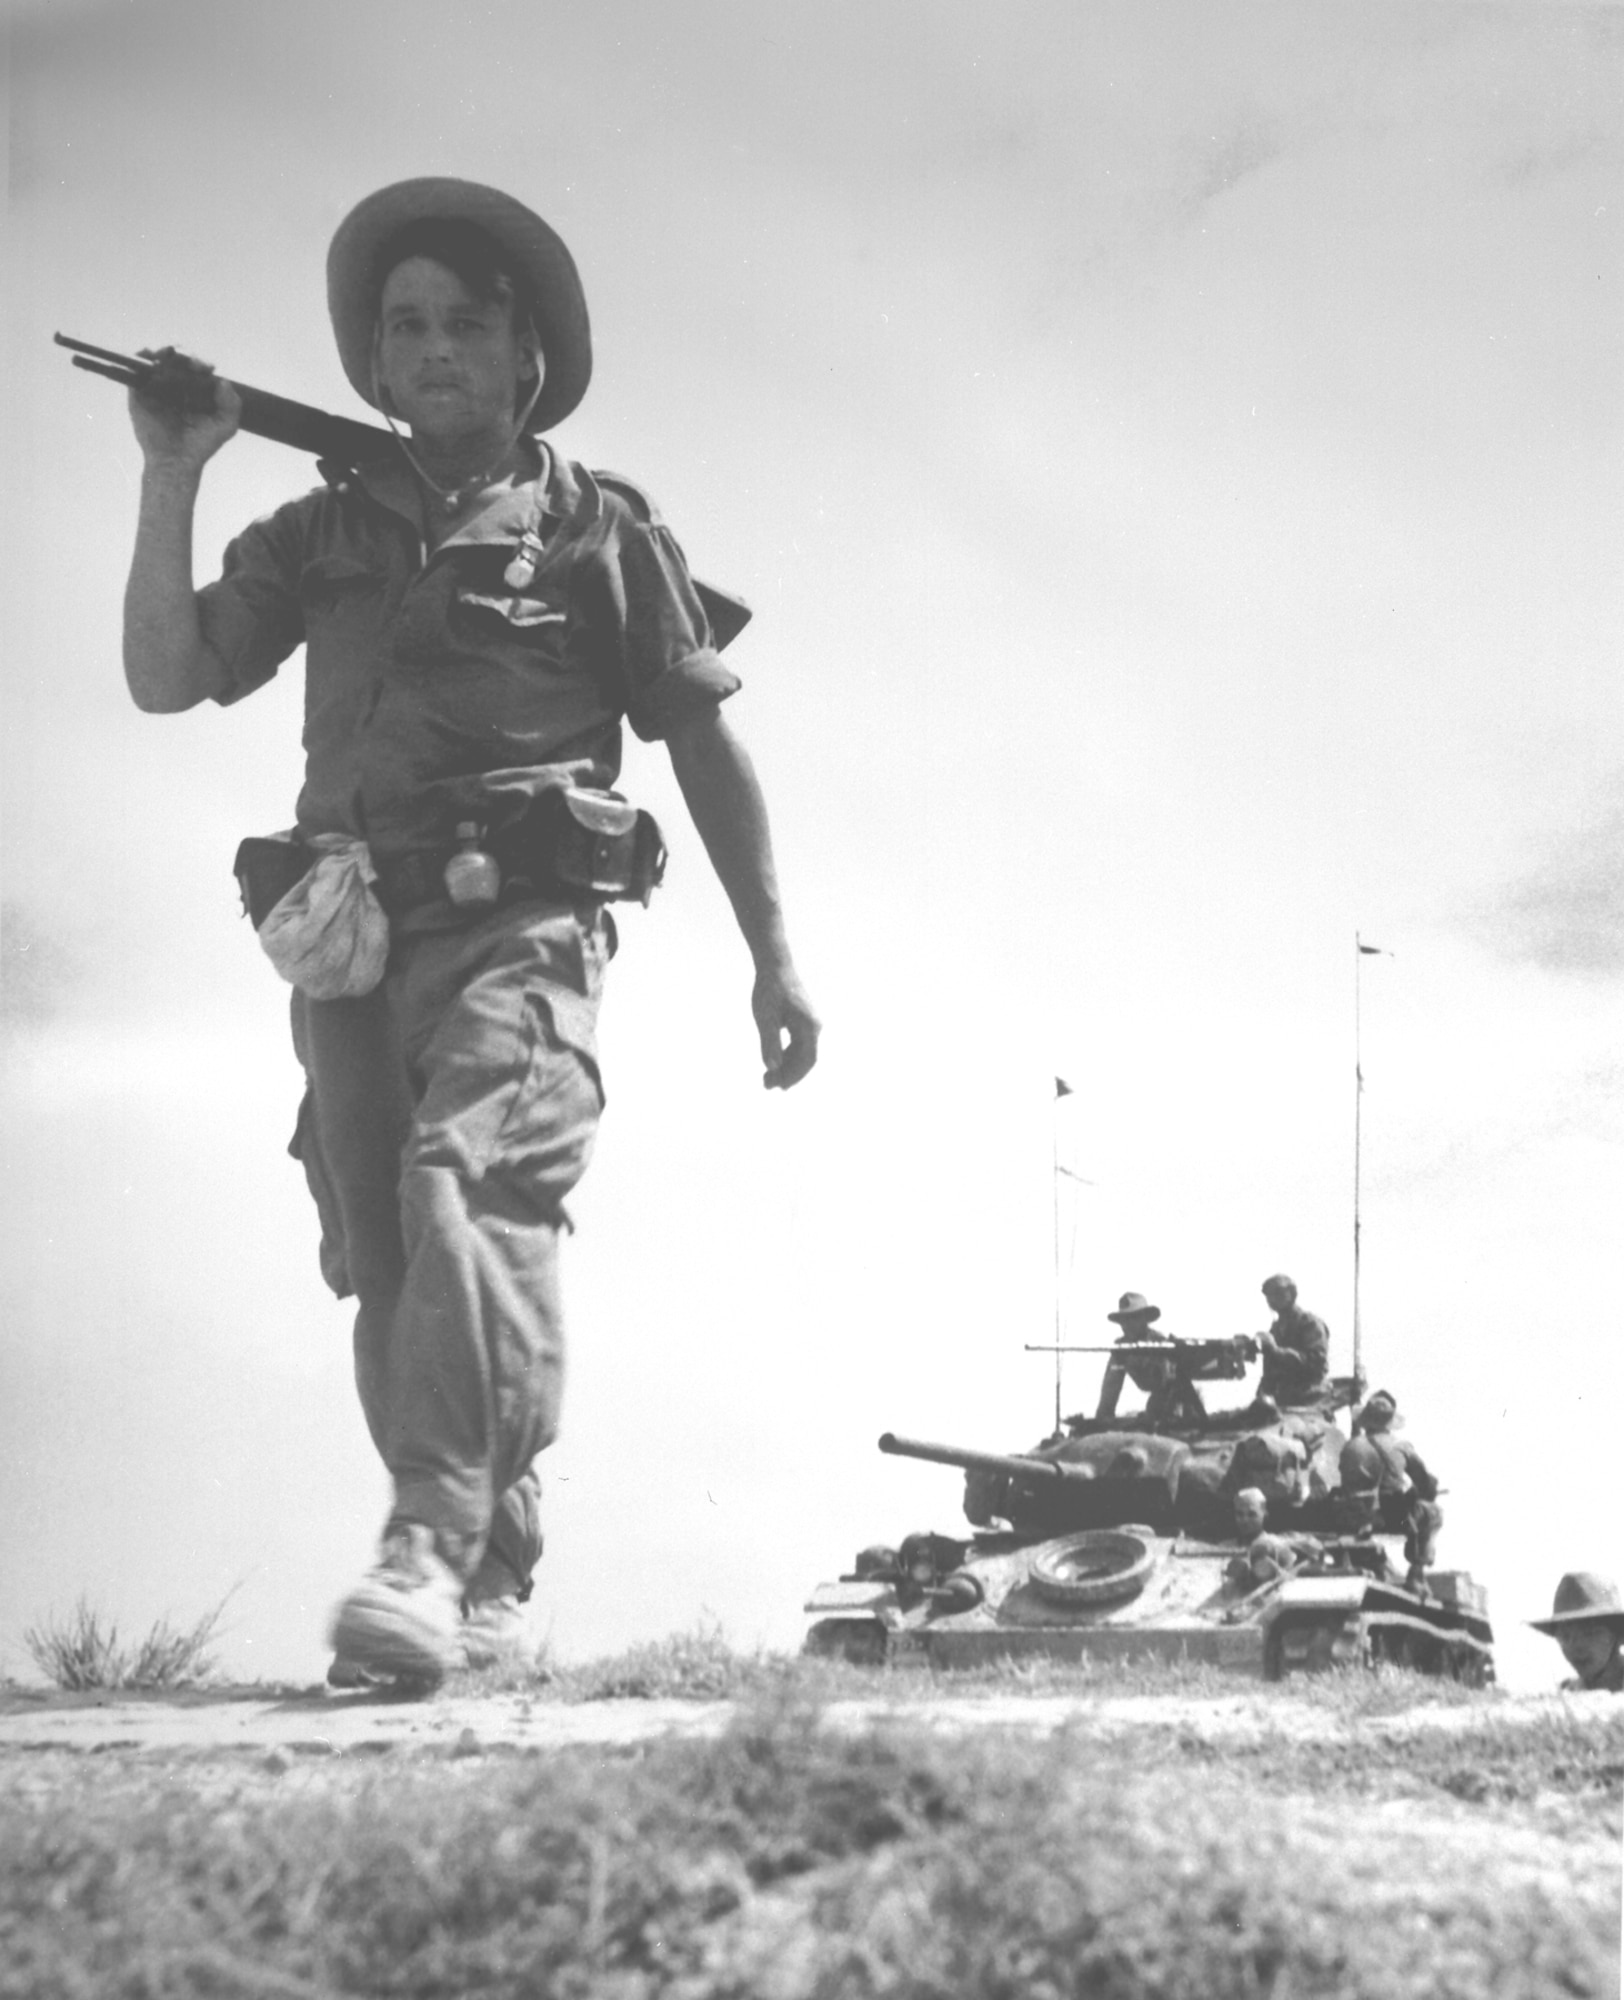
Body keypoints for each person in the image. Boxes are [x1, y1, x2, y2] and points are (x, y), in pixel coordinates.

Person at [119, 177, 820, 1688]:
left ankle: (427, 1549)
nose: (433, 347)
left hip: (527, 933)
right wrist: (172, 471)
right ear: (372, 367)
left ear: (525, 363)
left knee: (470, 1186)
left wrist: (774, 952)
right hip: (354, 941)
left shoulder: (599, 533)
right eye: (406, 325)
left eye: (467, 324)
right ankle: (485, 1567)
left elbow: (702, 745)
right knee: (386, 1255)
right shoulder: (317, 532)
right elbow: (167, 679)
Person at [1337, 1390, 1441, 1592]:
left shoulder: (1349, 1446)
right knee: (1432, 1512)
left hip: (1349, 1518)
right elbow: (1425, 1483)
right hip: (1391, 1519)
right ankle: (1417, 1572)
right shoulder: (1400, 1447)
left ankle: (1371, 1560)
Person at [1094, 1292, 1184, 1422]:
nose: (1127, 1324)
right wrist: (1103, 1417)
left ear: (1145, 1319)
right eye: (1123, 1319)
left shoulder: (1161, 1345)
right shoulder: (1121, 1350)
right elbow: (1111, 1386)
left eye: (1133, 1318)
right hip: (1157, 1399)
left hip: (1178, 1399)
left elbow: (1171, 1384)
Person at [1529, 1574, 1624, 1693]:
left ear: (1617, 1636)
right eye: (1565, 1637)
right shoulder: (1566, 1696)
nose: (1575, 1647)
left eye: (1589, 1634)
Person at [1255, 1273, 1330, 1404]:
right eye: (1269, 1295)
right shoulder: (1276, 1330)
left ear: (1292, 1294)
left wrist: (1276, 1351)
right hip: (1282, 1400)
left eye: (1278, 1293)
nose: (1272, 1299)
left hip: (1309, 1400)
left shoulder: (1309, 1323)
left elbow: (1316, 1364)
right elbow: (1270, 1373)